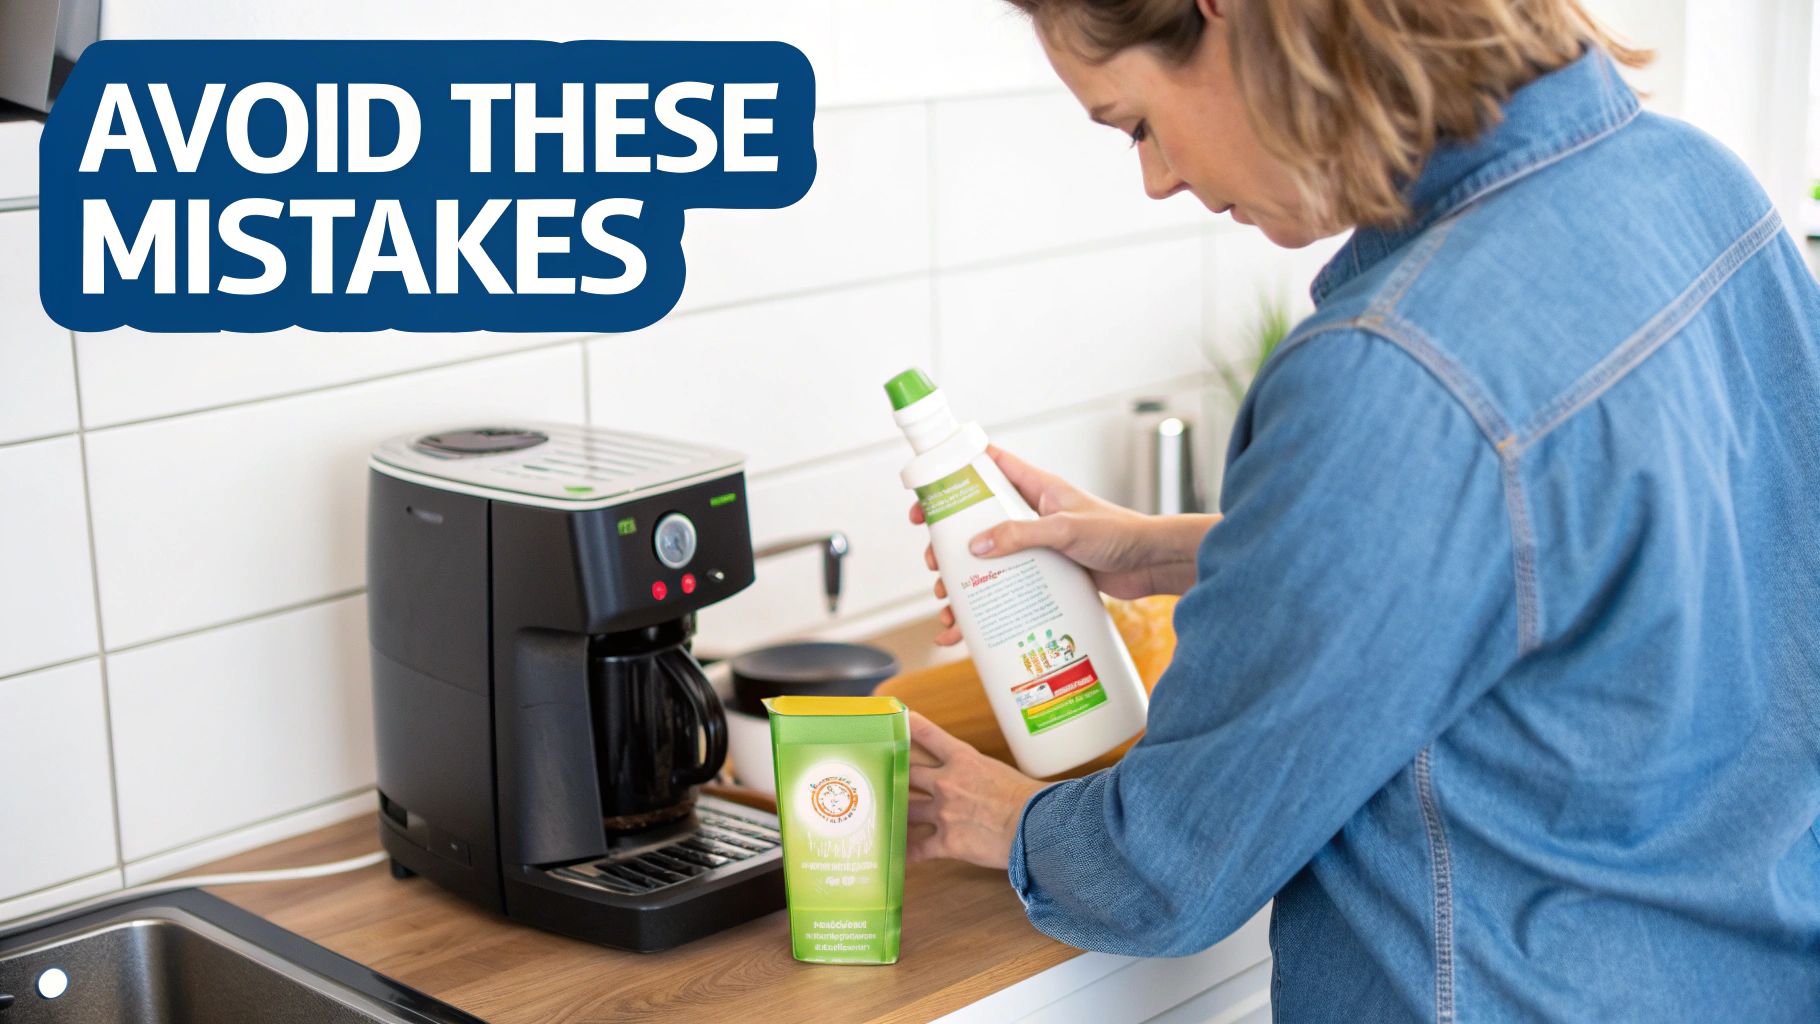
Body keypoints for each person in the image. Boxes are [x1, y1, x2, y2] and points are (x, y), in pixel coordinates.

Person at [901, 0, 1820, 1019]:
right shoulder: (1697, 183)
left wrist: (1001, 816)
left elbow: (1168, 865)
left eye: (1136, 124)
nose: (1157, 177)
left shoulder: (1392, 368)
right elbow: (1608, 564)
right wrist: (1193, 551)